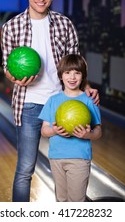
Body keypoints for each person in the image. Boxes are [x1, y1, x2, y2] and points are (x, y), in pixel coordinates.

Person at [1, 0, 99, 202]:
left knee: (65, 168)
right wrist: (13, 78)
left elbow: (76, 63)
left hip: (62, 104)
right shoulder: (11, 27)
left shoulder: (65, 24)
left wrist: (85, 85)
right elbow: (7, 66)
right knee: (25, 169)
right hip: (28, 105)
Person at [39, 54, 102, 202]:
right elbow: (44, 130)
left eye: (77, 72)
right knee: (61, 200)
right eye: (68, 72)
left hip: (79, 158)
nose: (72, 77)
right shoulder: (53, 100)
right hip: (56, 157)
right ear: (61, 75)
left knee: (76, 202)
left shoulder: (89, 101)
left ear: (83, 76)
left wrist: (88, 135)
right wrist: (54, 131)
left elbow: (98, 131)